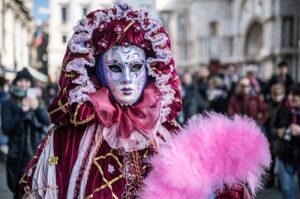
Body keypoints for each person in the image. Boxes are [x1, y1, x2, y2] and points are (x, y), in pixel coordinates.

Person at [19, 1, 267, 198]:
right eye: (115, 67)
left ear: (150, 70)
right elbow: (44, 186)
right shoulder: (67, 138)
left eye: (136, 66)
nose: (127, 78)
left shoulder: (168, 134)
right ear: (98, 71)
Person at [1, 68, 50, 199]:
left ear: (31, 83)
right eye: (20, 81)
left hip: (36, 154)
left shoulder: (38, 101)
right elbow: (7, 128)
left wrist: (36, 109)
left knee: (36, 192)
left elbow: (47, 121)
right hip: (17, 155)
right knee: (18, 191)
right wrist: (21, 112)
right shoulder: (8, 103)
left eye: (27, 81)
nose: (23, 84)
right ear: (16, 82)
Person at [274, 83, 300, 199]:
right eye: (289, 94)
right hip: (284, 153)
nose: (290, 97)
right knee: (287, 189)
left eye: (295, 95)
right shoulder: (283, 106)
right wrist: (277, 132)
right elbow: (272, 127)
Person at [265, 83, 285, 188]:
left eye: (280, 94)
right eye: (275, 94)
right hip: (271, 137)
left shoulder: (287, 106)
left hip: (283, 138)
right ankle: (271, 180)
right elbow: (266, 123)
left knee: (282, 161)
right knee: (270, 161)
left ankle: (282, 182)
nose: (277, 96)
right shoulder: (268, 106)